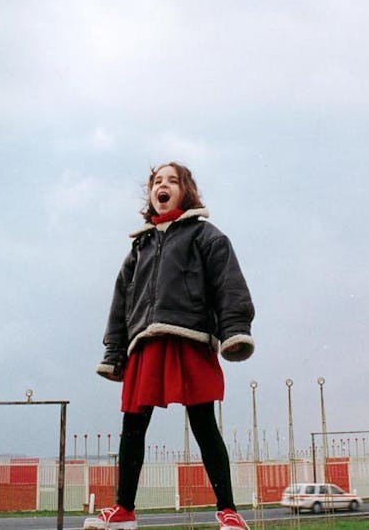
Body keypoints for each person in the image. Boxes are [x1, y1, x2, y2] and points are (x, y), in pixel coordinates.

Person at [85, 162, 255, 530]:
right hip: (145, 341)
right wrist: (114, 352)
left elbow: (228, 283)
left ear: (185, 191)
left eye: (172, 181)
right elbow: (121, 302)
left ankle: (228, 512)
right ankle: (124, 510)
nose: (163, 186)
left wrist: (235, 329)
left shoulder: (205, 235)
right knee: (133, 424)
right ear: (151, 194)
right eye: (157, 181)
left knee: (203, 422)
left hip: (189, 336)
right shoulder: (140, 247)